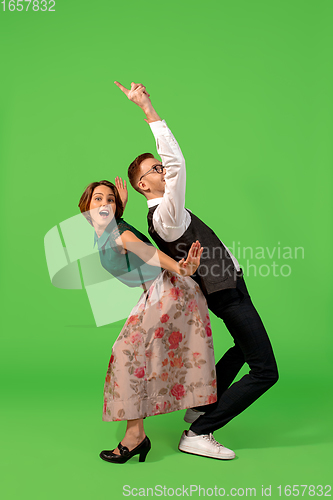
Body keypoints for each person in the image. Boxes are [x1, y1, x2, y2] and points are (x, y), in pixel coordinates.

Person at [115, 81, 279, 461]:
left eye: (160, 167)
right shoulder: (167, 214)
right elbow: (179, 162)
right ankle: (199, 431)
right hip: (226, 291)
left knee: (244, 347)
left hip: (231, 285)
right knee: (265, 371)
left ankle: (201, 405)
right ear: (144, 184)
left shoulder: (165, 214)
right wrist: (148, 109)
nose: (163, 170)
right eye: (155, 169)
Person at [78, 179, 226, 464]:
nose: (104, 203)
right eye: (98, 199)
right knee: (132, 357)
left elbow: (145, 251)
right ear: (85, 208)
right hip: (161, 291)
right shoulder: (107, 231)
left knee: (126, 354)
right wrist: (119, 207)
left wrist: (179, 267)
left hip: (171, 288)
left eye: (109, 199)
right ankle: (136, 435)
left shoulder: (119, 234)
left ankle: (137, 437)